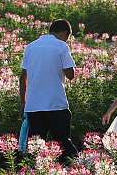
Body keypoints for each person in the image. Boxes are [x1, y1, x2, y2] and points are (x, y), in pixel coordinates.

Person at [19, 19, 78, 163]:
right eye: (67, 37)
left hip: (34, 106)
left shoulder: (31, 47)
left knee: (35, 148)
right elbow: (70, 75)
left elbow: (22, 78)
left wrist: (23, 102)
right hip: (55, 104)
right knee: (63, 144)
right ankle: (74, 171)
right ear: (64, 33)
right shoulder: (61, 46)